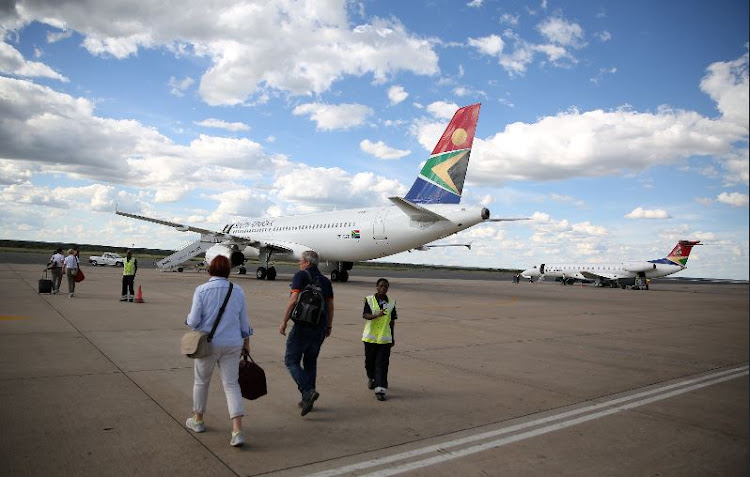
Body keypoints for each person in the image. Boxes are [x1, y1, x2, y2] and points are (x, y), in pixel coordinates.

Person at [185, 255, 252, 447]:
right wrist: (246, 341)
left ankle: (198, 420)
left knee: (201, 382)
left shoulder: (201, 290)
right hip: (233, 344)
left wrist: (188, 321)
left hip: (208, 344)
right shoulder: (238, 290)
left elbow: (194, 321)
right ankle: (237, 430)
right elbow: (244, 321)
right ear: (228, 271)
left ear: (209, 270)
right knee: (231, 385)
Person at [279, 250, 334, 416]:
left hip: (303, 326)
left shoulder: (301, 276)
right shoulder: (325, 281)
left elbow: (293, 299)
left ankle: (308, 391)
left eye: (301, 260)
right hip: (320, 327)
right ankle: (306, 399)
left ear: (308, 263)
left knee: (291, 360)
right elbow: (330, 306)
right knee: (310, 361)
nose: (299, 263)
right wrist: (329, 326)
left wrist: (284, 321)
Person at [362, 278, 397, 401]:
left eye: (386, 286)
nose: (383, 288)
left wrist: (392, 337)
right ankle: (371, 378)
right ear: (376, 287)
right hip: (370, 339)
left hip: (384, 339)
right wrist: (376, 315)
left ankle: (380, 389)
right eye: (381, 286)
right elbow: (365, 315)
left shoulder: (392, 303)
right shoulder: (369, 300)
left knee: (382, 365)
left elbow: (392, 322)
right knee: (369, 364)